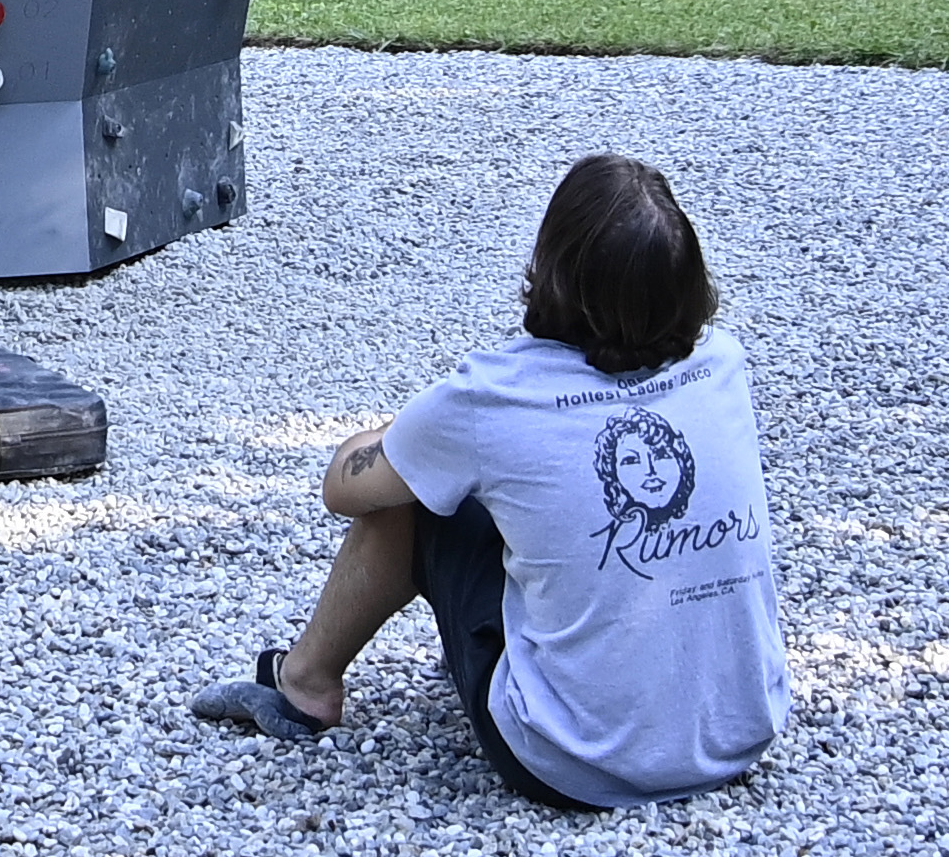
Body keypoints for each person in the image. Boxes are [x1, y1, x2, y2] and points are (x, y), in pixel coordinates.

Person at [189, 153, 787, 807]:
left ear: (552, 272)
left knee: (413, 499)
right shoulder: (722, 362)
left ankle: (304, 685)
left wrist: (424, 437)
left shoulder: (496, 396)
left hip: (573, 762)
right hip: (737, 736)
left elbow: (344, 487)